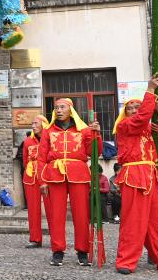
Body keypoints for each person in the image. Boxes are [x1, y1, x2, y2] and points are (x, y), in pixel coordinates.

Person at [113, 77, 158, 274]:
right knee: (132, 219)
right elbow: (141, 118)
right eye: (131, 108)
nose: (135, 110)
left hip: (151, 176)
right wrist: (150, 89)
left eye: (138, 107)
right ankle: (126, 261)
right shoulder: (125, 126)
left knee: (156, 221)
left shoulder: (146, 127)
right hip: (134, 174)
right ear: (125, 113)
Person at [39, 98, 101, 267]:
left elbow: (94, 152)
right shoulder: (47, 131)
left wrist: (96, 134)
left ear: (71, 110)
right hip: (55, 174)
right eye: (56, 108)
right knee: (56, 214)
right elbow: (41, 157)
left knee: (81, 213)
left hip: (78, 173)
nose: (59, 110)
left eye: (62, 107)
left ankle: (83, 251)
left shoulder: (84, 130)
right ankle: (57, 251)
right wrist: (42, 180)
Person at [17, 116, 48, 248]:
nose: (33, 126)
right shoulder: (27, 141)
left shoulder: (51, 139)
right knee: (33, 209)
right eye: (32, 123)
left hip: (48, 176)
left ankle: (57, 240)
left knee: (52, 208)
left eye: (36, 123)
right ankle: (35, 239)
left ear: (44, 125)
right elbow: (24, 160)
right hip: (31, 177)